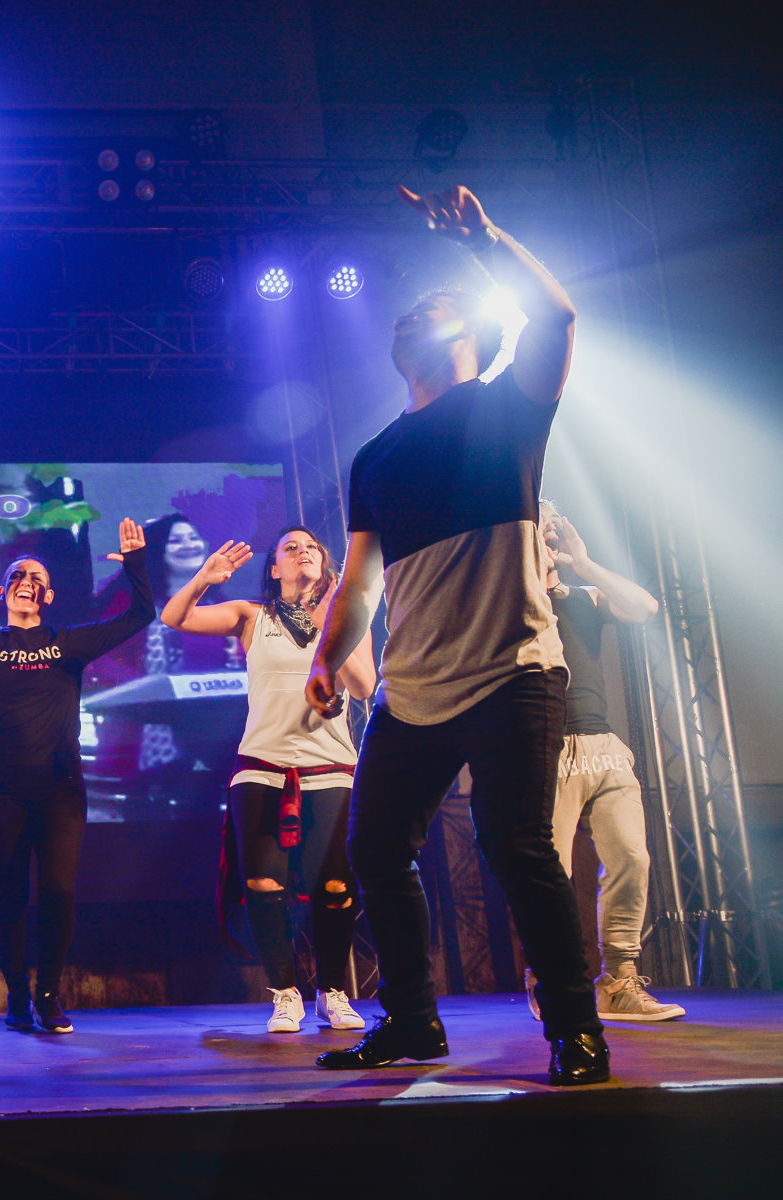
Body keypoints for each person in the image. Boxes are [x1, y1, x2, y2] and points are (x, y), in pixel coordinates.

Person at [306, 184, 610, 1086]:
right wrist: (328, 657)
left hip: (513, 670)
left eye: (434, 307)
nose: (413, 316)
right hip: (413, 689)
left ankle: (577, 1030)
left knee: (515, 845)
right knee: (374, 848)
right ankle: (412, 1023)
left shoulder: (510, 404)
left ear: (470, 331)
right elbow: (360, 579)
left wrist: (483, 238)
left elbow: (557, 316)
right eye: (406, 314)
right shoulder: (376, 455)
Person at [0, 505, 155, 1033]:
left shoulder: (67, 643)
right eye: (17, 576)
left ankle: (48, 995)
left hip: (60, 794)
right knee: (10, 897)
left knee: (58, 895)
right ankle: (17, 997)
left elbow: (141, 614)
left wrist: (136, 563)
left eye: (37, 578)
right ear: (4, 592)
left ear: (47, 596)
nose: (26, 581)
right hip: (0, 793)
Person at [160, 527, 376, 1035]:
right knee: (263, 882)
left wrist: (334, 623)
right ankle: (284, 993)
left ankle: (333, 991)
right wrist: (204, 578)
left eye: (312, 547)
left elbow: (365, 686)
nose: (304, 552)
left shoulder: (348, 618)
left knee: (335, 885)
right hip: (261, 763)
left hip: (331, 765)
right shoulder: (252, 615)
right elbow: (175, 617)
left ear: (326, 565)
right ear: (275, 568)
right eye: (290, 548)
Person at [527, 502, 682, 1021]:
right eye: (540, 526)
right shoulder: (507, 604)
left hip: (604, 747)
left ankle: (619, 980)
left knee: (632, 858)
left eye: (554, 527)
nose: (550, 535)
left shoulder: (584, 597)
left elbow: (645, 608)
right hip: (545, 751)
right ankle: (550, 975)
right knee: (550, 872)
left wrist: (585, 563)